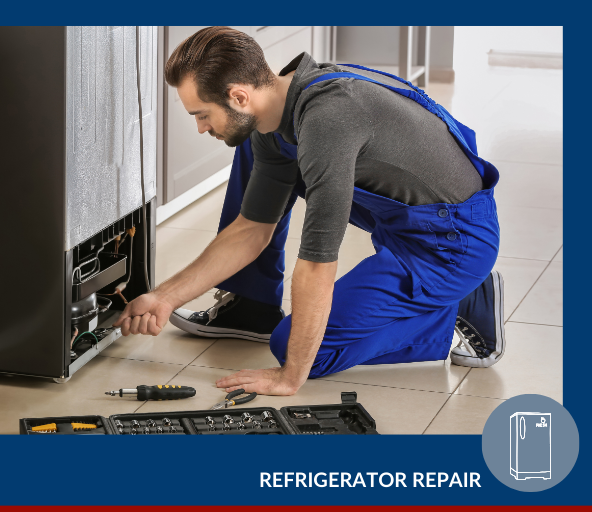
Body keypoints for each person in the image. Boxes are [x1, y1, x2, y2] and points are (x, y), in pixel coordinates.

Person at [113, 26, 505, 396]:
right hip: (408, 222)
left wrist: (289, 377)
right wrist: (164, 297)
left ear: (238, 96)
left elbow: (318, 264)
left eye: (201, 114)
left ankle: (459, 311)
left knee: (298, 349)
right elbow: (251, 229)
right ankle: (251, 303)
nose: (201, 127)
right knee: (252, 142)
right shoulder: (283, 102)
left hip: (451, 244)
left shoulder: (328, 120)